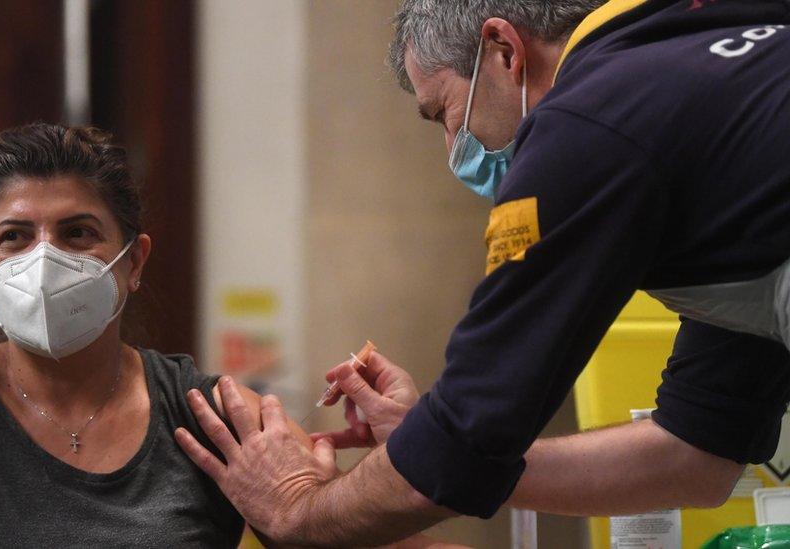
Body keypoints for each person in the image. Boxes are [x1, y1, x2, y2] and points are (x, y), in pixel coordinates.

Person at [174, 0, 790, 545]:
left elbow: (467, 436)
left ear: (503, 50)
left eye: (444, 112)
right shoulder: (703, 66)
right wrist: (428, 438)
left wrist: (298, 512)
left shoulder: (585, 124)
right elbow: (697, 456)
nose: (453, 150)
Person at [0, 123, 319, 547]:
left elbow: (361, 529)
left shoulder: (210, 416)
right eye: (14, 236)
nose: (43, 260)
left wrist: (390, 452)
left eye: (77, 232)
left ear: (135, 262)